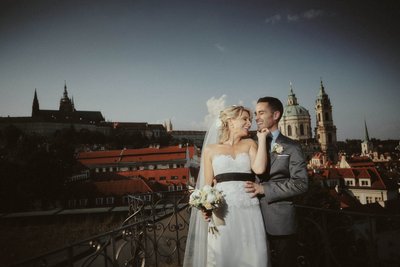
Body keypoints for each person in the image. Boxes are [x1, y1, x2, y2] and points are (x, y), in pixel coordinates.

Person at [183, 105, 270, 267]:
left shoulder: (250, 143)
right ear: (230, 122)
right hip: (222, 212)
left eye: (249, 120)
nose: (249, 123)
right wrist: (205, 207)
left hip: (249, 208)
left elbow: (259, 169)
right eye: (244, 119)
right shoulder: (210, 150)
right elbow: (206, 187)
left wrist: (263, 139)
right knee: (223, 255)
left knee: (253, 254)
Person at [245, 96, 308, 267]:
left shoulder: (292, 147)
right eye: (256, 113)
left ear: (276, 115)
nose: (256, 118)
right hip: (250, 219)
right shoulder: (250, 144)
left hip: (280, 222)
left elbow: (301, 184)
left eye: (261, 113)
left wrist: (264, 189)